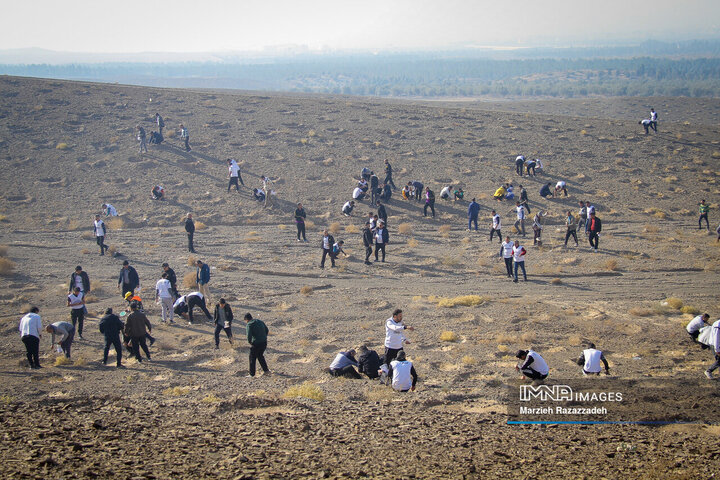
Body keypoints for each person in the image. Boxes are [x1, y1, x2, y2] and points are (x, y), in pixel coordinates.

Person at [245, 313, 270, 377]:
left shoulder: (249, 325)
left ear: (247, 320)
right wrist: (263, 337)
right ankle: (266, 370)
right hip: (264, 342)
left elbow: (248, 335)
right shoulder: (260, 321)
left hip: (256, 343)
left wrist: (250, 342)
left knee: (252, 358)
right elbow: (267, 330)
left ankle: (252, 374)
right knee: (260, 356)